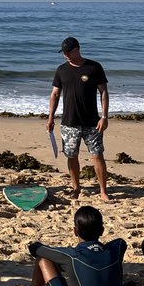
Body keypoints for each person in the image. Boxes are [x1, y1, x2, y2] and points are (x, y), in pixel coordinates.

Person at [46, 36, 110, 201]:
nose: (65, 55)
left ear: (77, 50)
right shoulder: (61, 70)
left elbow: (103, 92)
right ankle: (76, 188)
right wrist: (50, 117)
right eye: (63, 52)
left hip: (92, 122)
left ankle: (103, 191)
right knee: (71, 156)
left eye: (68, 52)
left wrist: (104, 117)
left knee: (97, 155)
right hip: (69, 123)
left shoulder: (94, 67)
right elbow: (55, 94)